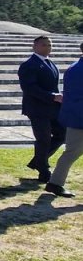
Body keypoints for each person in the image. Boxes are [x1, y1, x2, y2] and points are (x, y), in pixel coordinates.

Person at [18, 36, 65, 183]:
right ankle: (44, 171)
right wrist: (52, 96)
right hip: (37, 109)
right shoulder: (29, 65)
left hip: (53, 108)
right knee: (43, 139)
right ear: (35, 46)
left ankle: (38, 161)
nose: (48, 47)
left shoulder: (50, 63)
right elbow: (29, 88)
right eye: (44, 45)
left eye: (50, 45)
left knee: (62, 134)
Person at [46, 42, 83, 197]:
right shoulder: (77, 70)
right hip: (79, 118)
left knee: (72, 152)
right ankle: (55, 183)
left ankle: (55, 183)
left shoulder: (76, 68)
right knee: (72, 152)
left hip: (77, 116)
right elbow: (76, 96)